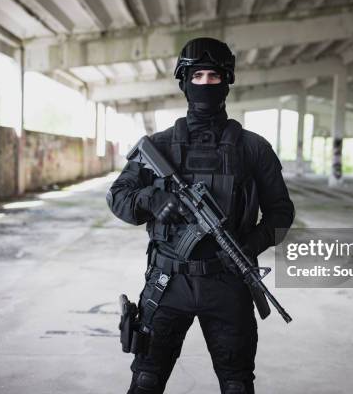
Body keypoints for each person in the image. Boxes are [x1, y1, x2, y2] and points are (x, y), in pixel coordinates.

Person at [106, 37, 295, 394]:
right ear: (184, 81)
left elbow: (281, 213)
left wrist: (246, 244)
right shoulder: (159, 145)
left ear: (227, 82)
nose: (206, 84)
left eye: (214, 76)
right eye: (198, 76)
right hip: (167, 283)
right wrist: (151, 198)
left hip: (228, 283)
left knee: (237, 384)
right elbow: (118, 196)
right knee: (146, 381)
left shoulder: (253, 148)